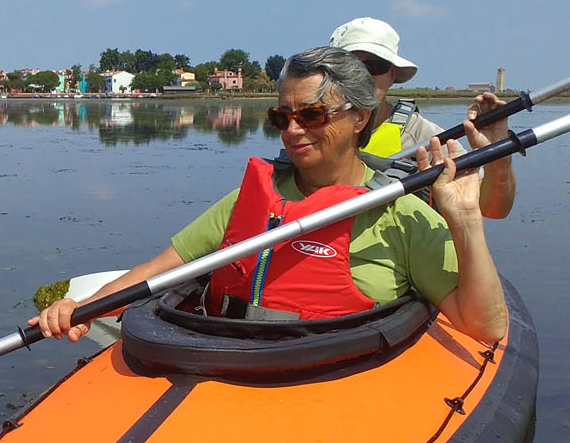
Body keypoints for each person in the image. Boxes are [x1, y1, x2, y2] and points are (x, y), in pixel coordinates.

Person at [31, 46, 509, 345]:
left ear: (360, 117)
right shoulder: (250, 199)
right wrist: (84, 307)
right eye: (283, 117)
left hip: (332, 377)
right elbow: (156, 272)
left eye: (313, 115)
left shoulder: (401, 215)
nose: (293, 130)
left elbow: (484, 326)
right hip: (225, 361)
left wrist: (465, 219)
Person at [330, 17, 516, 219]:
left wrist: (498, 159)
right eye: (349, 67)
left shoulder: (426, 138)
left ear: (392, 74)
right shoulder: (302, 129)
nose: (361, 76)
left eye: (374, 65)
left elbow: (493, 209)